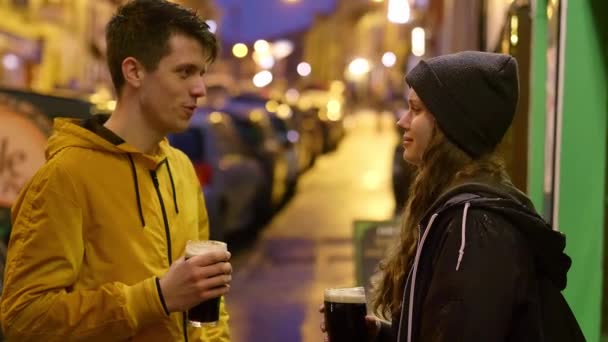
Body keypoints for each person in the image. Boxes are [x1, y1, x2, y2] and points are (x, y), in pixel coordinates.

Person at [0, 1, 232, 341]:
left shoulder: (180, 168)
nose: (199, 89)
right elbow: (23, 320)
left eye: (201, 73)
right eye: (184, 72)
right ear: (134, 72)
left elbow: (208, 307)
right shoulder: (65, 176)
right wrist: (157, 297)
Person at [321, 51, 584, 341]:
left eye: (416, 109)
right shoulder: (462, 211)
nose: (403, 121)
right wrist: (381, 336)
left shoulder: (473, 228)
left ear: (449, 123)